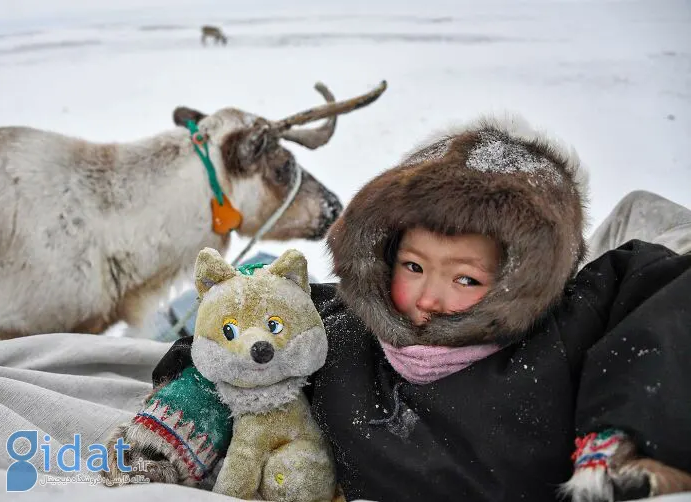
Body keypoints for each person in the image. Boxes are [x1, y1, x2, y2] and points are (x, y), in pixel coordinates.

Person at [150, 114, 691, 502]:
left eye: (465, 278)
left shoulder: (566, 333)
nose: (428, 298)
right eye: (412, 267)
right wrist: (194, 399)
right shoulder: (344, 333)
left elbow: (661, 297)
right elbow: (242, 321)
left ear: (520, 277)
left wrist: (620, 433)